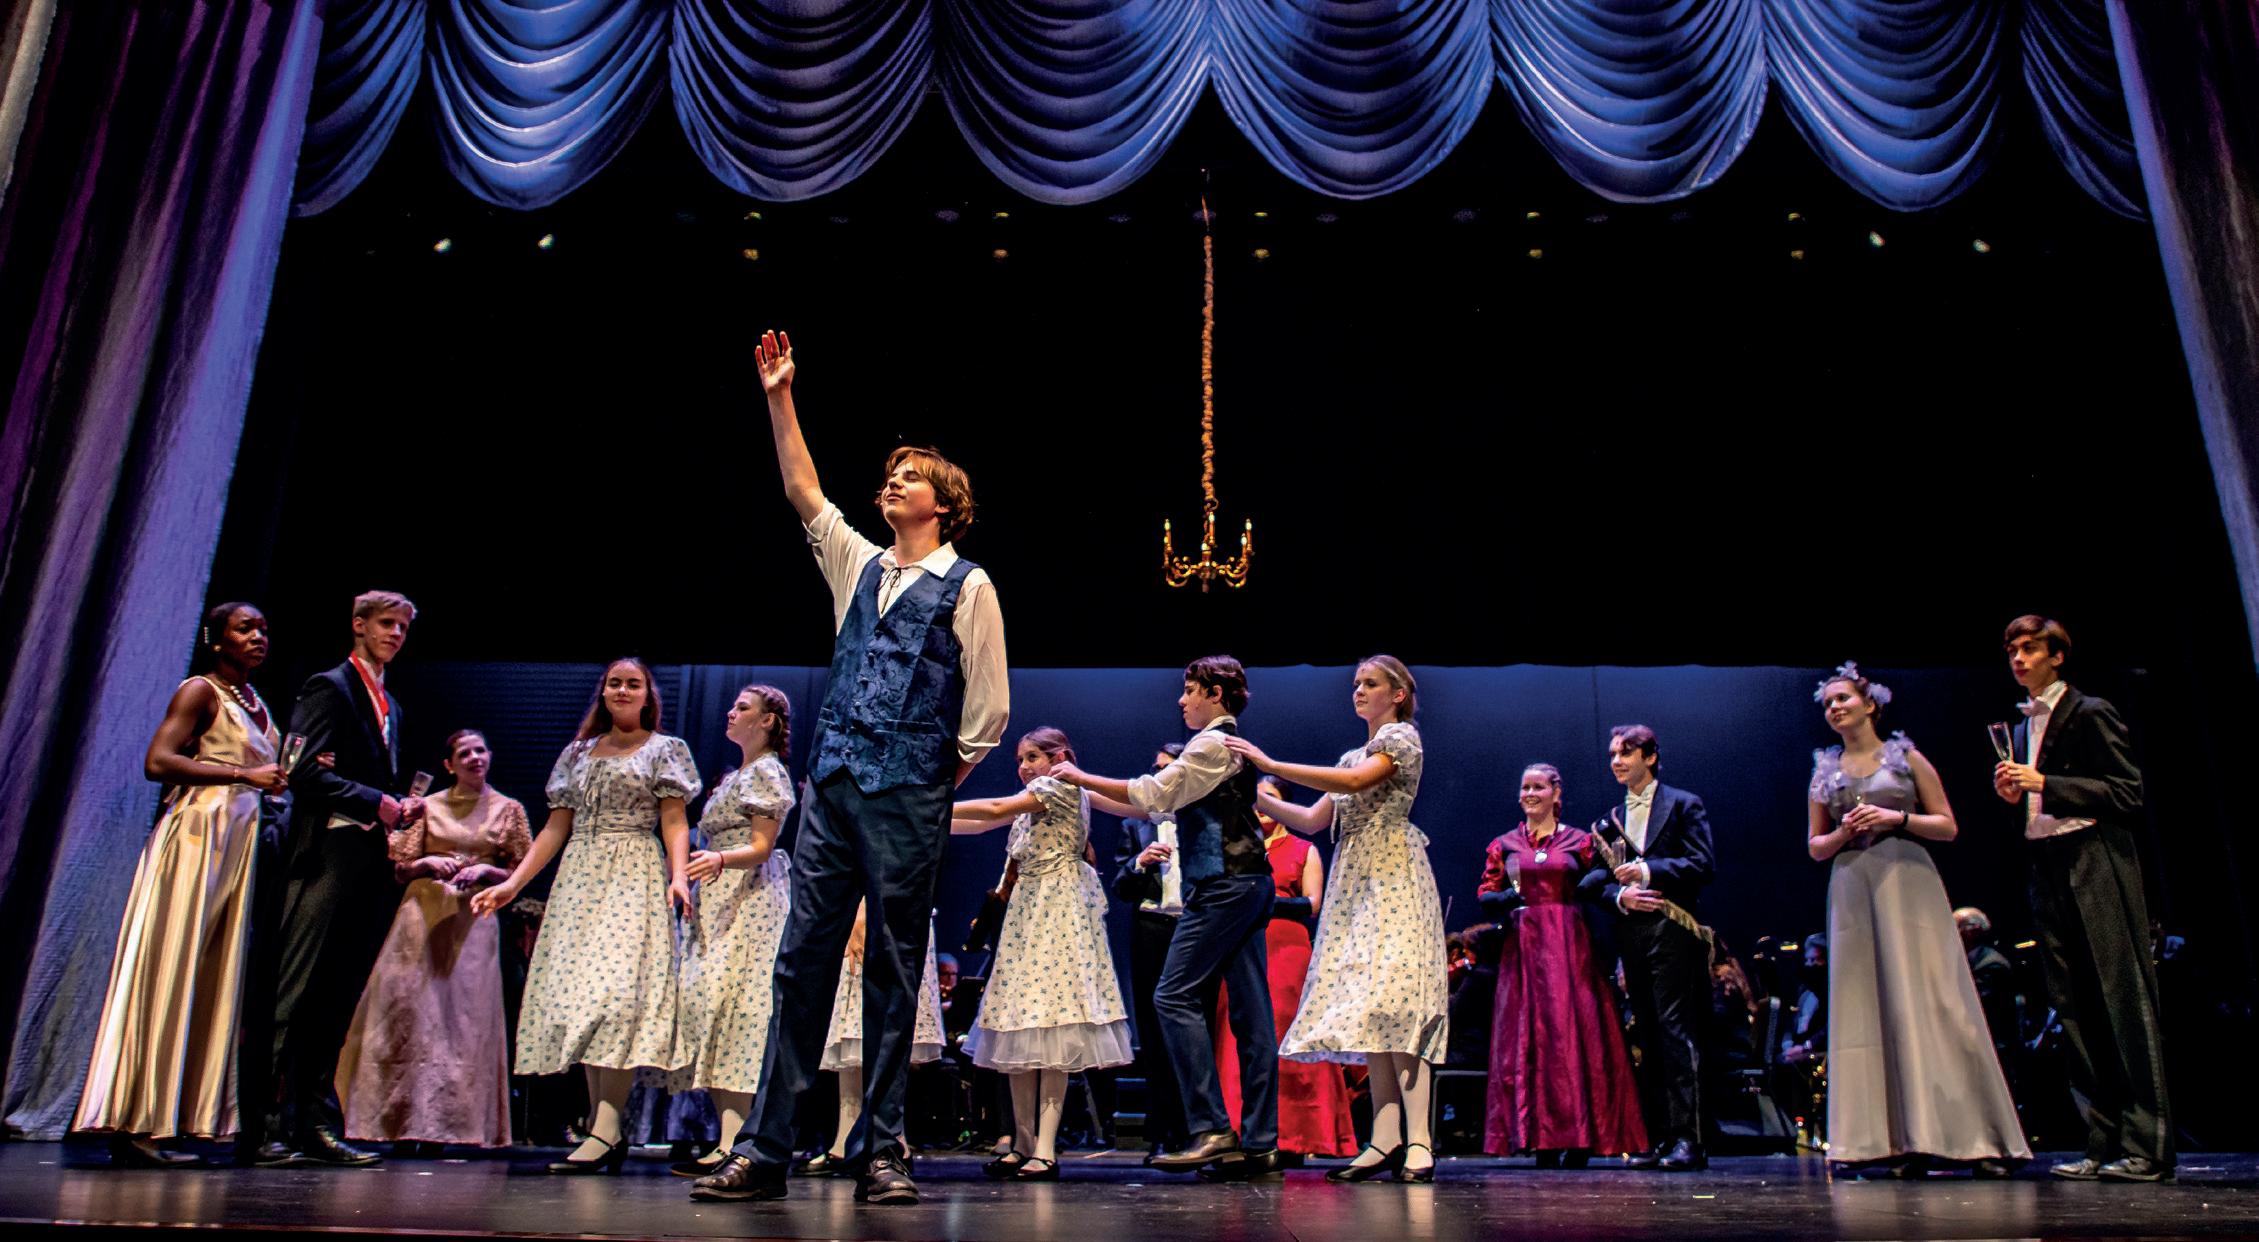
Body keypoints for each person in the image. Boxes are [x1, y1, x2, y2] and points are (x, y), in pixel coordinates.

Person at [693, 330, 1007, 1208]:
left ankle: (880, 1150)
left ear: (944, 503)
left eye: (910, 477)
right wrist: (779, 396)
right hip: (832, 790)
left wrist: (927, 782)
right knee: (801, 963)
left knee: (893, 972)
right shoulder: (860, 567)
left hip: (907, 794)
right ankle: (765, 1149)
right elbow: (804, 490)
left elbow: (986, 713)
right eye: (890, 475)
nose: (892, 483)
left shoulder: (969, 586)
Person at [73, 603, 286, 1166]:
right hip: (196, 839)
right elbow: (158, 761)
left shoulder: (256, 701)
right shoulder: (199, 691)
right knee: (173, 966)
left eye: (263, 630)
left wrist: (272, 780)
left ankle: (177, 1118)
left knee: (209, 977)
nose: (258, 637)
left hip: (235, 846)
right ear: (216, 640)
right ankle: (137, 1122)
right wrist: (242, 774)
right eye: (245, 629)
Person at [470, 658, 699, 1174]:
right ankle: (604, 1126)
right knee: (583, 1001)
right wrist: (511, 884)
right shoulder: (577, 753)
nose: (623, 690)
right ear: (603, 692)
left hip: (632, 873)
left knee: (615, 999)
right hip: (580, 880)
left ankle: (606, 1128)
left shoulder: (664, 750)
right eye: (615, 683)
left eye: (633, 684)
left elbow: (674, 820)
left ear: (648, 696)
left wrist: (679, 876)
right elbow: (555, 829)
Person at [1225, 656, 1449, 1183]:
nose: (1359, 691)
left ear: (1398, 694)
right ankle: (1385, 1138)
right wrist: (1247, 788)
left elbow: (1354, 783)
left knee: (1400, 1005)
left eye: (1370, 683)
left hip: (1392, 877)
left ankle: (1419, 1139)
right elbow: (1309, 818)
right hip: (1356, 887)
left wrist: (1272, 764)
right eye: (1356, 684)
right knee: (1371, 1007)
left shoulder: (1401, 739)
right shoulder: (1352, 754)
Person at [1051, 657, 1276, 1179]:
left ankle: (1211, 1128)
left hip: (1225, 884)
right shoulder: (1219, 747)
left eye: (1191, 690)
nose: (1182, 699)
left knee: (1172, 996)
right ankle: (1261, 1142)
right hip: (1245, 882)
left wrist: (1081, 775)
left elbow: (1152, 793)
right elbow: (1155, 808)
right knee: (1250, 1016)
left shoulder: (1210, 744)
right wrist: (1084, 791)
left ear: (1215, 694)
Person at [1808, 662, 2027, 1177]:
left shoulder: (1906, 758)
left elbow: (1948, 825)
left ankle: (1975, 1138)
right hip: (1853, 886)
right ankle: (1890, 1142)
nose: (1834, 707)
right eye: (1828, 703)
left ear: (1870, 705)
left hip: (1907, 880)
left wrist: (1896, 818)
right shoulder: (1823, 771)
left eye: (1843, 698)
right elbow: (1815, 846)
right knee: (1867, 1007)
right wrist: (1843, 833)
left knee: (1933, 998)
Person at [1993, 616, 2173, 1182]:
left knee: (2122, 998)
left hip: (2095, 855)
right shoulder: (2021, 727)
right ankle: (2101, 1141)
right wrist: (2017, 796)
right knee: (2072, 1005)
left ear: (2057, 656)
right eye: (2012, 650)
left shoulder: (2090, 711)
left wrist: (2045, 784)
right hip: (2046, 863)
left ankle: (2148, 1146)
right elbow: (2038, 801)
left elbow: (2127, 791)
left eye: (2030, 648)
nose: (2018, 658)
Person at [253, 590, 424, 1168]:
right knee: (296, 992)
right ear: (358, 624)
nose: (395, 634)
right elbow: (301, 769)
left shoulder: (390, 703)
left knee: (337, 996)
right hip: (323, 853)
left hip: (365, 859)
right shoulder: (330, 686)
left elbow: (361, 775)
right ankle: (266, 1125)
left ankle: (316, 1123)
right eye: (386, 623)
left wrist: (396, 805)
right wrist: (376, 800)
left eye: (403, 627)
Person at [950, 728, 1135, 1181]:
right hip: (1027, 913)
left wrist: (933, 805)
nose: (1024, 767)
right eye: (1020, 759)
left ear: (1059, 756)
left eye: (1033, 756)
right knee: (1018, 1025)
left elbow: (995, 810)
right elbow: (981, 824)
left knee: (1052, 1024)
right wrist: (929, 817)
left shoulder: (1058, 786)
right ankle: (1023, 1142)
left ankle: (1046, 1148)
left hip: (1057, 909)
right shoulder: (1032, 802)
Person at [338, 729, 530, 1151]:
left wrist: (486, 872)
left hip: (473, 919)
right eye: (465, 753)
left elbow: (521, 871)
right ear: (449, 765)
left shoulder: (508, 810)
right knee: (410, 1015)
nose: (475, 758)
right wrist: (427, 863)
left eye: (480, 750)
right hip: (422, 915)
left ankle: (451, 1126)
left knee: (462, 1021)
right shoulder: (428, 806)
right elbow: (399, 868)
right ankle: (397, 1120)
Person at [1476, 764, 1647, 1166]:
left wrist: (1595, 882)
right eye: (1525, 787)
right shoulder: (1505, 843)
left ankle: (1579, 1134)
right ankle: (1538, 1136)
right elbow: (1486, 891)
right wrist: (1503, 899)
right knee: (1529, 1036)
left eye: (1538, 787)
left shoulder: (1579, 840)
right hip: (1524, 947)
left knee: (1571, 1033)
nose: (1529, 793)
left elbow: (1605, 871)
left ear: (1556, 793)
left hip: (1569, 944)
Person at [670, 686, 797, 1177]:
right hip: (719, 895)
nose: (731, 712)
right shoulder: (736, 776)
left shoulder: (767, 771)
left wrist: (719, 858)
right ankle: (728, 1138)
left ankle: (740, 1141)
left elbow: (763, 846)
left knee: (742, 1009)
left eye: (743, 707)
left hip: (751, 896)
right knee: (715, 1008)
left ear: (767, 721)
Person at [1588, 724, 1714, 1172]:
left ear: (1650, 756)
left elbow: (1702, 863)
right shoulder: (1610, 820)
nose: (1617, 761)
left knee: (1674, 1028)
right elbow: (1594, 880)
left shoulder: (1682, 804)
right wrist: (1620, 896)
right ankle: (1661, 1136)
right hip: (1632, 932)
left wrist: (1647, 872)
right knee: (1646, 1032)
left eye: (1626, 753)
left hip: (1673, 927)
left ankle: (1689, 1138)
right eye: (1612, 754)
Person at [1212, 775, 1357, 1163]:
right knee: (1237, 1034)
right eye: (1256, 797)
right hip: (1242, 943)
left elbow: (1312, 904)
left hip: (1287, 952)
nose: (1260, 805)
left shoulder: (1302, 849)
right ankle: (1239, 1132)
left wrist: (1262, 901)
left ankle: (1299, 1133)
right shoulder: (1234, 845)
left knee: (1287, 1035)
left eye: (1270, 797)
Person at [798, 902, 948, 1174]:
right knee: (850, 1030)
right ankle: (845, 1139)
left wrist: (865, 910)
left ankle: (892, 1140)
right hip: (855, 907)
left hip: (891, 909)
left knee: (886, 1020)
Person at [1109, 743, 1190, 1157]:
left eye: (1166, 769)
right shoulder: (1135, 825)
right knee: (1154, 1029)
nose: (1158, 776)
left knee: (1194, 1030)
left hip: (1192, 928)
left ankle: (1199, 1128)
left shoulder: (1200, 819)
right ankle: (1163, 1131)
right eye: (1155, 769)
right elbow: (1120, 888)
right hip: (1151, 928)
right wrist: (1139, 863)